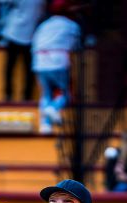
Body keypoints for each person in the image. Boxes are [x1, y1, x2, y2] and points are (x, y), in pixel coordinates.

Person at [31, 0, 80, 133]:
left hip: (39, 61)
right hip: (58, 60)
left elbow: (34, 44)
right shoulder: (71, 25)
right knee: (66, 93)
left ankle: (45, 125)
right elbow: (77, 46)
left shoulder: (44, 25)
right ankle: (53, 108)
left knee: (46, 93)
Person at [1, 0, 45, 101]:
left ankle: (24, 96)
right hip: (15, 33)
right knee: (12, 67)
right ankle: (10, 95)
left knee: (26, 68)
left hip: (29, 34)